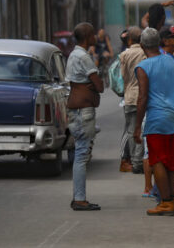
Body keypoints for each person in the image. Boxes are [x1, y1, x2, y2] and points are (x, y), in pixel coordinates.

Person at [134, 28, 174, 216]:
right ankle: (172, 199)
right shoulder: (170, 60)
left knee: (157, 161)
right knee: (173, 163)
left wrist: (136, 127)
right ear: (159, 43)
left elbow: (142, 98)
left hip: (157, 120)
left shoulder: (143, 67)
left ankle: (165, 202)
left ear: (142, 46)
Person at [66, 22, 104, 211]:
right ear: (88, 36)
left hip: (74, 111)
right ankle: (80, 198)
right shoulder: (85, 57)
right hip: (84, 112)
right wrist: (91, 85)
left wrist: (86, 86)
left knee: (80, 152)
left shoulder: (72, 55)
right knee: (82, 154)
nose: (96, 37)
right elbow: (99, 86)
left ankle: (78, 197)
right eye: (93, 34)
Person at [120, 26, 146, 174]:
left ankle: (135, 162)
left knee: (131, 130)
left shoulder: (124, 54)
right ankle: (139, 161)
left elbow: (123, 76)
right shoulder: (145, 53)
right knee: (142, 128)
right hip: (143, 96)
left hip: (129, 97)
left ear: (129, 39)